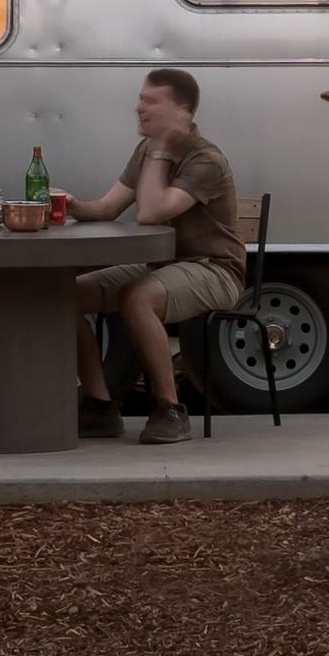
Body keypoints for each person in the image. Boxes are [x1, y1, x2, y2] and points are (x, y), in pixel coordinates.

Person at [64, 62, 249, 439]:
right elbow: (107, 208)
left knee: (137, 297)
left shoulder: (205, 159)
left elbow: (151, 212)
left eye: (150, 102)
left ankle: (170, 408)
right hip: (160, 265)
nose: (139, 109)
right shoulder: (145, 150)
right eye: (139, 100)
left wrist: (161, 149)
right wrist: (68, 204)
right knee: (64, 297)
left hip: (214, 268)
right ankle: (99, 406)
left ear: (182, 111)